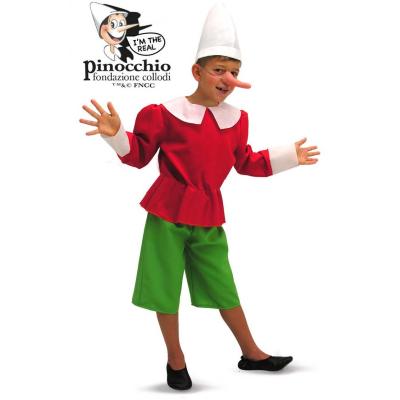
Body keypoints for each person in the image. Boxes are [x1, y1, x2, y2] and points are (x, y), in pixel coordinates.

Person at [79, 3, 320, 391]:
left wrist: (288, 156)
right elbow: (138, 156)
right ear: (197, 71)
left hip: (208, 214)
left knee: (223, 283)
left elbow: (244, 162)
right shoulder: (164, 113)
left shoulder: (237, 120)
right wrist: (116, 135)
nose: (229, 79)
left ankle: (252, 353)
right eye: (219, 70)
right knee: (164, 285)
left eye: (235, 72)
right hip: (167, 212)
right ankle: (175, 359)